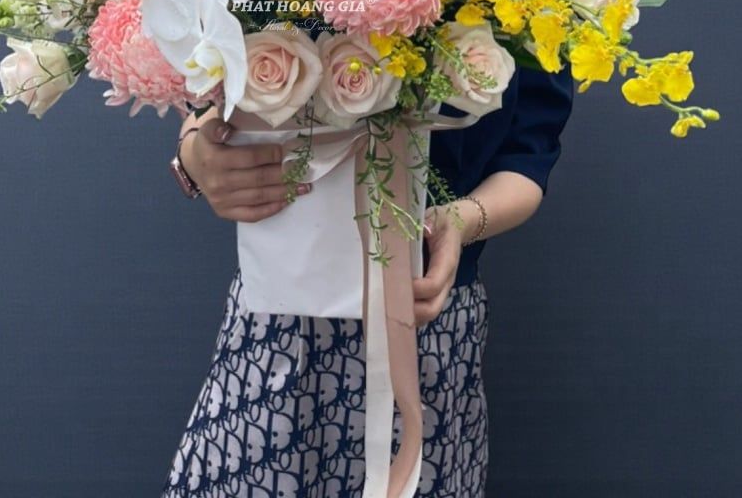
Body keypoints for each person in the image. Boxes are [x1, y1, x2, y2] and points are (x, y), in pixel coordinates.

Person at [161, 61, 577, 497]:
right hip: (277, 323)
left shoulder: (532, 16)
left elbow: (528, 154)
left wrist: (459, 223)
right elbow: (211, 89)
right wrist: (196, 155)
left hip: (423, 322)